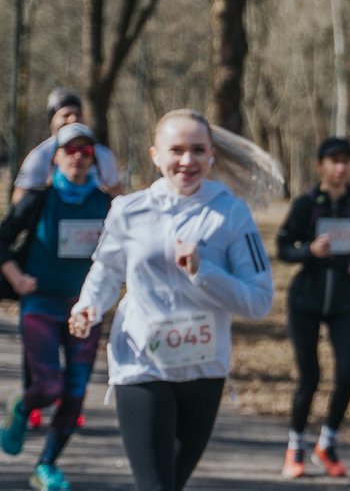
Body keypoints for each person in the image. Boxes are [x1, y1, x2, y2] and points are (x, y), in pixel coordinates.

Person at [68, 108, 274, 491]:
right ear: (155, 155)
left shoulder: (231, 214)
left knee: (170, 484)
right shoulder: (127, 211)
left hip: (204, 367)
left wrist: (203, 272)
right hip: (140, 364)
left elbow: (259, 301)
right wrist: (88, 307)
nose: (187, 161)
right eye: (176, 149)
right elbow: (107, 272)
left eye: (197, 150)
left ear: (211, 154)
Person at [0, 123, 112, 491]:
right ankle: (20, 407)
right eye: (71, 150)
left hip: (84, 311)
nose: (79, 157)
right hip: (41, 305)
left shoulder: (106, 204)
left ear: (94, 159)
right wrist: (16, 277)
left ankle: (46, 465)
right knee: (48, 385)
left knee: (76, 392)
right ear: (56, 157)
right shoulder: (38, 199)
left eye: (86, 151)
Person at [276, 137, 350, 479]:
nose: (340, 167)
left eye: (346, 160)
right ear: (321, 166)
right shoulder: (306, 204)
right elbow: (284, 248)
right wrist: (309, 251)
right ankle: (295, 447)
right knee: (310, 377)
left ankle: (326, 444)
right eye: (333, 160)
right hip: (306, 301)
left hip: (343, 303)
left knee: (346, 373)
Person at [12, 87, 123, 205]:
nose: (73, 119)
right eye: (66, 115)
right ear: (52, 120)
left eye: (77, 114)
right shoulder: (39, 156)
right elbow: (19, 199)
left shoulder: (102, 155)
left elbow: (117, 193)